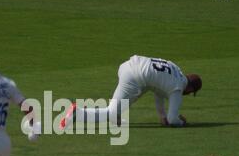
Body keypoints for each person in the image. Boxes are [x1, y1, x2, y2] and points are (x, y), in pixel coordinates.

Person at [60, 55, 202, 129]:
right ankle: (77, 113)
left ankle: (116, 116)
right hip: (135, 76)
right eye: (190, 92)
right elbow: (173, 120)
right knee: (112, 111)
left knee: (145, 87)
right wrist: (181, 122)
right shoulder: (178, 87)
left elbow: (158, 91)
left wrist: (162, 116)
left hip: (129, 67)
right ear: (190, 89)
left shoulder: (175, 69)